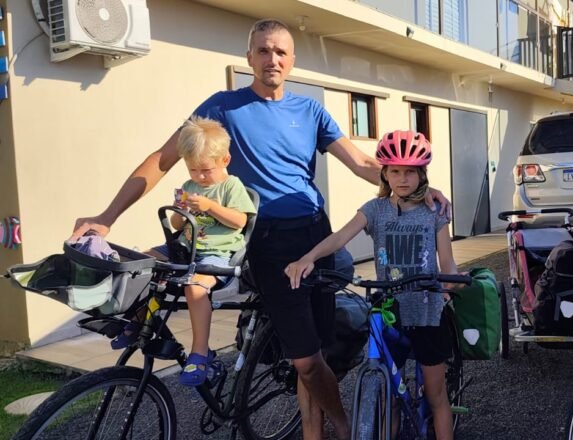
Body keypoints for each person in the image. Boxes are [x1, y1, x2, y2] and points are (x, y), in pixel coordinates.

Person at [71, 18, 450, 440]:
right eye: (264, 50)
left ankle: (314, 428)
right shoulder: (221, 106)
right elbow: (161, 160)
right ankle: (342, 423)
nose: (272, 59)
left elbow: (364, 165)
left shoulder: (310, 110)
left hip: (313, 233)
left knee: (317, 350)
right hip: (263, 241)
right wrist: (107, 216)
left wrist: (419, 188)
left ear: (291, 61)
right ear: (249, 57)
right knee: (305, 359)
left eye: (281, 52)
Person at [286, 130, 458, 440]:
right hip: (388, 312)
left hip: (427, 312)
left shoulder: (434, 213)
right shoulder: (375, 210)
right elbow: (340, 237)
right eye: (395, 171)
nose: (402, 178)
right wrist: (308, 257)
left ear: (422, 174)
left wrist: (450, 285)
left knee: (436, 396)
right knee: (387, 398)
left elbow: (448, 263)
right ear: (384, 173)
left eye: (410, 171)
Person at [115, 116, 256, 386]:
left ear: (224, 161)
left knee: (195, 287)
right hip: (186, 248)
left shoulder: (230, 186)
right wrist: (182, 211)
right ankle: (136, 320)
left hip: (218, 254)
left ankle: (200, 351)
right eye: (193, 171)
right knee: (142, 261)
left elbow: (241, 221)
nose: (199, 177)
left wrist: (209, 207)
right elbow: (178, 225)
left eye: (205, 171)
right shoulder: (191, 187)